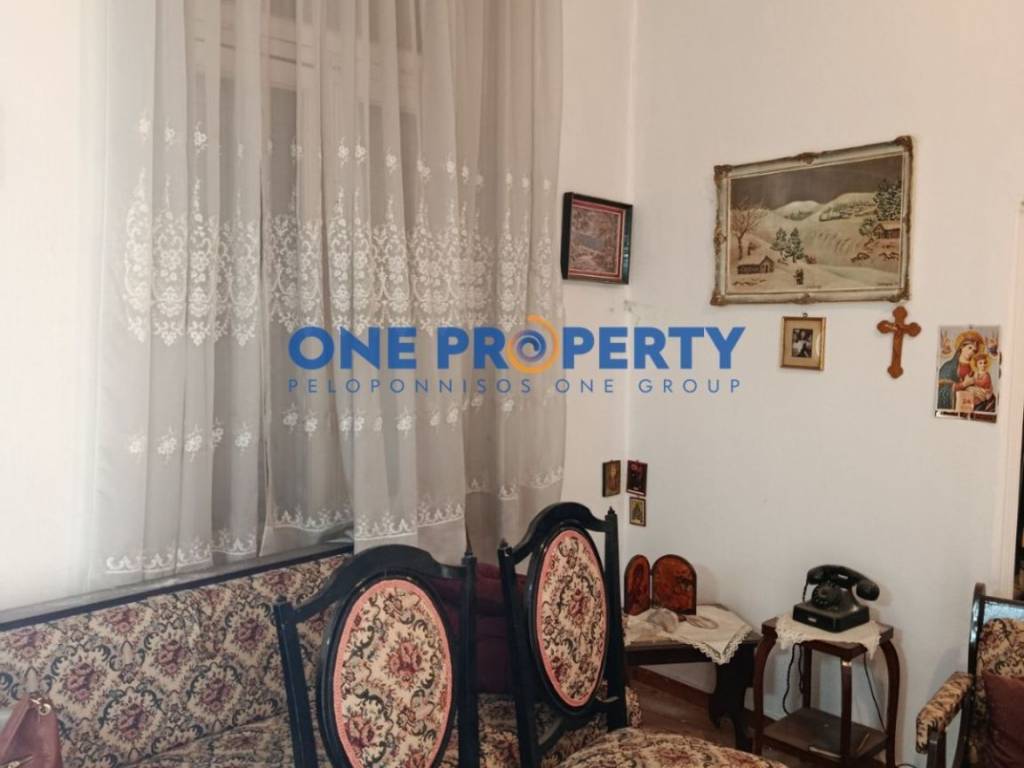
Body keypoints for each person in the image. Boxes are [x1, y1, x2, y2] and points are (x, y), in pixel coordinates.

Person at [937, 330, 985, 410]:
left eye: (974, 351)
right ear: (961, 347)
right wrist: (963, 385)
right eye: (969, 347)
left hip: (970, 405)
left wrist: (979, 392)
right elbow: (940, 390)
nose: (971, 352)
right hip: (953, 405)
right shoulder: (948, 367)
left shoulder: (975, 368)